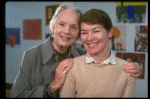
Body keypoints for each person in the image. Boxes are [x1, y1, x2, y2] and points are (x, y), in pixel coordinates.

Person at [10, 3, 140, 98]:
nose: (66, 31)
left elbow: (105, 66)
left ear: (78, 34)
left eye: (73, 27)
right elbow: (16, 95)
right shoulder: (32, 55)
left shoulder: (82, 54)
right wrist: (52, 86)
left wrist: (131, 68)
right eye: (62, 24)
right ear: (53, 27)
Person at [60, 9, 136, 98]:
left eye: (96, 31)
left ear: (110, 32)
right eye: (84, 32)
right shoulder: (71, 67)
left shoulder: (128, 70)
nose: (89, 38)